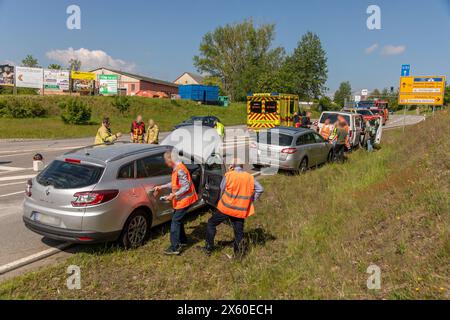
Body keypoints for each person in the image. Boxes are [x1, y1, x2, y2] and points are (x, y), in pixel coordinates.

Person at [201, 161, 264, 258]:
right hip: (240, 210)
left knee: (211, 223)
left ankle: (209, 247)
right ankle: (238, 255)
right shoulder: (249, 177)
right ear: (242, 166)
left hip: (226, 208)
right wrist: (251, 200)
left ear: (233, 166)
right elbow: (260, 189)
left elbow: (222, 188)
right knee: (239, 233)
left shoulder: (229, 175)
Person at [153, 150, 199, 255]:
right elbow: (174, 183)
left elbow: (186, 187)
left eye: (166, 160)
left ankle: (175, 247)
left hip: (185, 200)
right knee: (178, 220)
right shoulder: (177, 168)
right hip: (181, 200)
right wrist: (162, 186)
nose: (165, 163)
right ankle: (182, 241)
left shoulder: (180, 169)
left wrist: (173, 195)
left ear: (171, 160)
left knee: (175, 222)